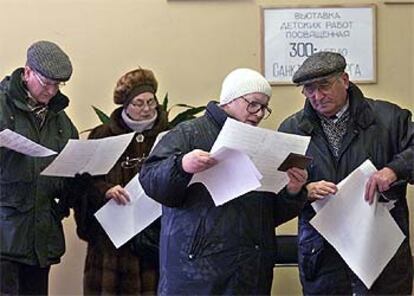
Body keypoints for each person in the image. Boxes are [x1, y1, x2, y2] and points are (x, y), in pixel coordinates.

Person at [139, 68, 309, 295]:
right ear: (231, 99)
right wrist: (181, 165)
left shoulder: (259, 143)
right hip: (198, 274)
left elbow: (267, 215)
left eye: (264, 107)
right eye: (253, 104)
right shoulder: (189, 133)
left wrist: (292, 192)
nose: (259, 113)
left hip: (249, 273)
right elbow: (150, 179)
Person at [278, 51, 414, 295]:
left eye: (324, 85)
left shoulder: (389, 119)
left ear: (345, 79)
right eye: (309, 89)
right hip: (322, 258)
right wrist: (301, 190)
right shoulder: (292, 130)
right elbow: (279, 196)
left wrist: (394, 170)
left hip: (380, 255)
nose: (317, 96)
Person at [72, 68, 168, 295]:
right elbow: (83, 183)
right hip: (110, 246)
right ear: (125, 105)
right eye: (138, 103)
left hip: (153, 240)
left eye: (151, 102)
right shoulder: (103, 135)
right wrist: (104, 191)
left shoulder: (169, 135)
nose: (146, 109)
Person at [0, 40, 78, 295]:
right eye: (47, 83)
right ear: (28, 71)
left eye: (58, 85)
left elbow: (71, 173)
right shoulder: (2, 107)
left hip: (40, 236)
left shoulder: (61, 122)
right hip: (4, 234)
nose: (52, 91)